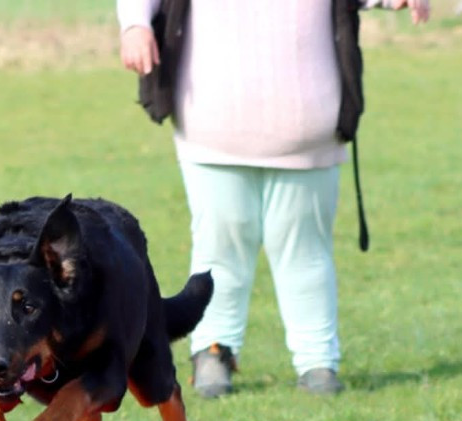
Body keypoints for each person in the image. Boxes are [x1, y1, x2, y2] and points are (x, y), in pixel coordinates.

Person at [118, 0, 431, 398]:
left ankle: (318, 362)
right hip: (213, 126)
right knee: (220, 248)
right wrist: (135, 25)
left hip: (308, 128)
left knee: (306, 252)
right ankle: (213, 351)